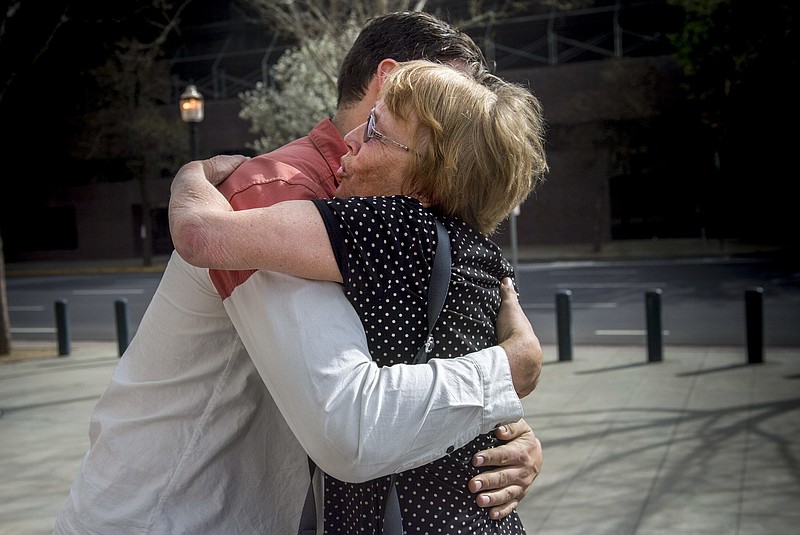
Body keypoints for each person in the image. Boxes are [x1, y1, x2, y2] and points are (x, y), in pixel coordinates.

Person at [53, 12, 543, 535]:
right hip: (167, 518)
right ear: (391, 80)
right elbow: (350, 428)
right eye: (453, 102)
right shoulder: (274, 192)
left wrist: (504, 433)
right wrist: (506, 373)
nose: (472, 131)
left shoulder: (403, 219)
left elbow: (428, 360)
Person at [169, 59, 548, 533]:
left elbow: (200, 236)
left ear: (429, 174)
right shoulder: (484, 255)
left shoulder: (393, 226)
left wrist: (194, 174)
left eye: (374, 131)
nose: (349, 139)